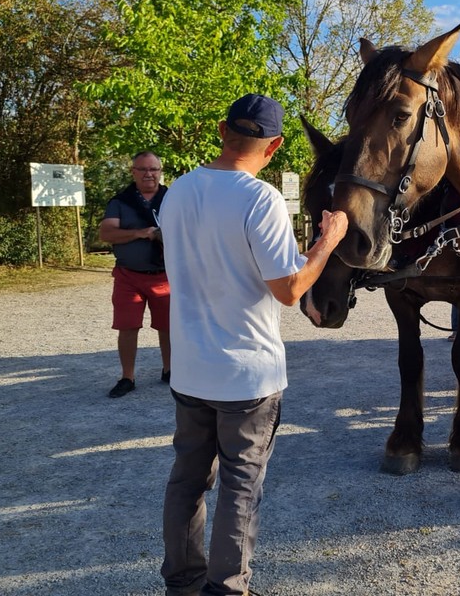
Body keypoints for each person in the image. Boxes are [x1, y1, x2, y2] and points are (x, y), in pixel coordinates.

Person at [158, 93, 348, 596]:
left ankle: (182, 580)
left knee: (187, 480)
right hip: (246, 374)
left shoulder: (176, 191)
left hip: (191, 367)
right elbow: (288, 289)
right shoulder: (259, 198)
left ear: (223, 131)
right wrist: (328, 240)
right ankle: (227, 586)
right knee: (240, 487)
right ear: (276, 145)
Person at [99, 150, 171, 398]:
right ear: (133, 172)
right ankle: (127, 377)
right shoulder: (120, 201)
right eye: (142, 169)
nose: (149, 174)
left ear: (160, 172)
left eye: (153, 169)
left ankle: (169, 370)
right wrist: (140, 233)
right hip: (129, 276)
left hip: (166, 276)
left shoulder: (173, 198)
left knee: (169, 327)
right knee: (127, 327)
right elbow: (107, 233)